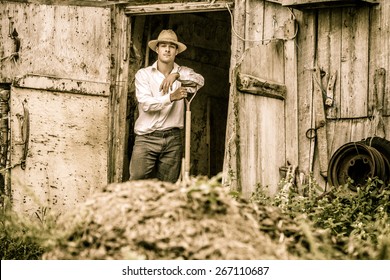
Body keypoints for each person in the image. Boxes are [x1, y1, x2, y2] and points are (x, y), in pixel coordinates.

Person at [129, 29, 204, 183]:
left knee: (168, 187)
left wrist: (177, 75)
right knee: (136, 184)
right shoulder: (144, 74)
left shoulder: (183, 73)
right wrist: (171, 97)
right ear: (157, 49)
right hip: (146, 139)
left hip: (172, 139)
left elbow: (200, 81)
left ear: (176, 51)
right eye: (163, 45)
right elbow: (146, 105)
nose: (167, 49)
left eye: (171, 46)